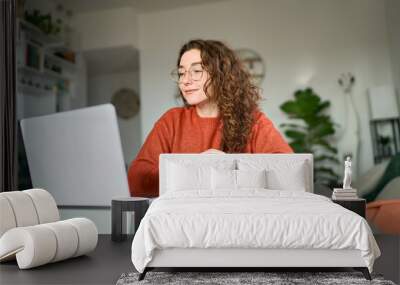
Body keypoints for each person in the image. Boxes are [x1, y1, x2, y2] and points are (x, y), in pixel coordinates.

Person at [128, 39, 293, 197]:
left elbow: (289, 171)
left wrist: (226, 167)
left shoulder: (254, 121)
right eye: (181, 73)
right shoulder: (172, 120)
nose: (185, 80)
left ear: (221, 75)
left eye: (196, 71)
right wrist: (196, 168)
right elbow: (136, 180)